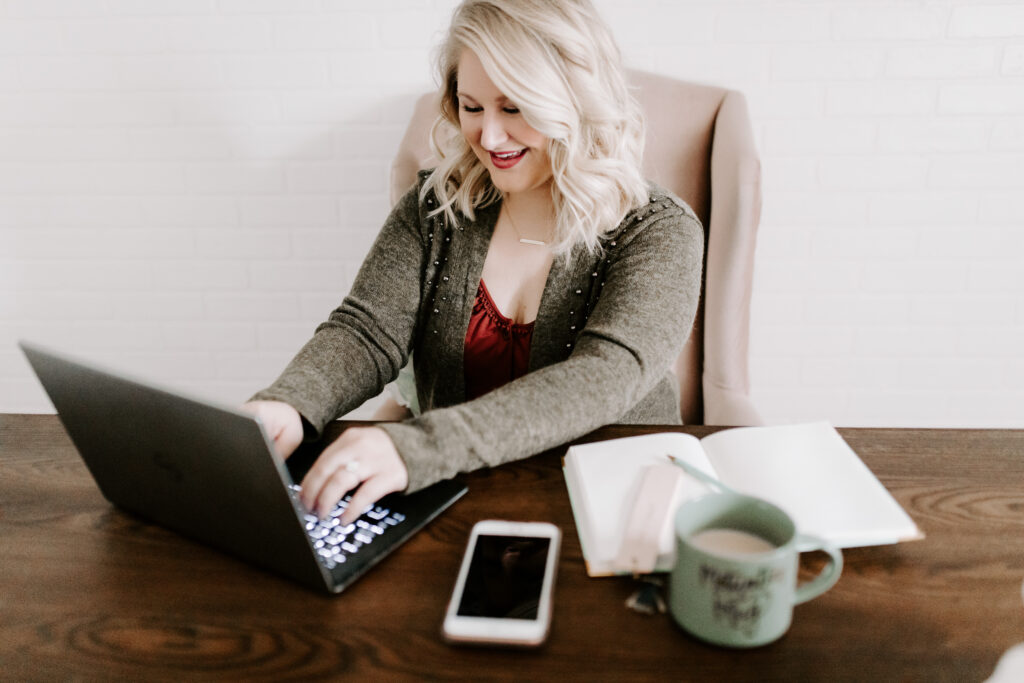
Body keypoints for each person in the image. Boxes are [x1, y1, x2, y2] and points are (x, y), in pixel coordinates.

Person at [243, 0, 704, 526]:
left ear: (573, 102)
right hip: (452, 498)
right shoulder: (436, 206)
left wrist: (416, 447)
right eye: (471, 106)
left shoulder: (659, 231)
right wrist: (290, 403)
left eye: (514, 109)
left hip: (615, 507)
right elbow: (366, 332)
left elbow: (605, 376)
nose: (489, 137)